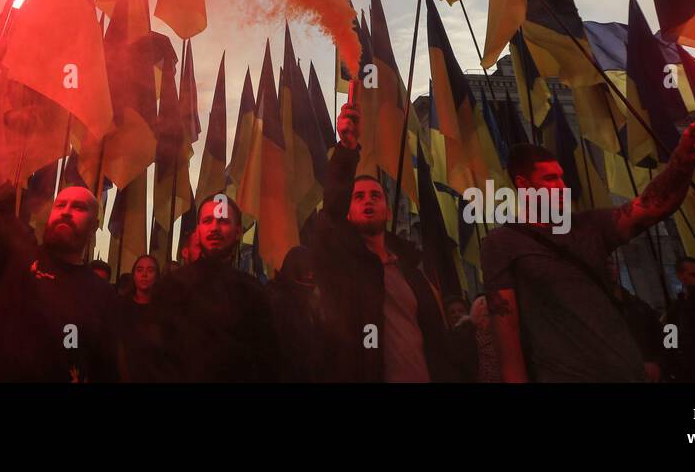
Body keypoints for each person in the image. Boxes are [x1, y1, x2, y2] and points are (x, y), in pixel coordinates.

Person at [480, 117, 695, 382]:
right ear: (523, 184)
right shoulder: (502, 242)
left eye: (561, 177)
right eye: (550, 179)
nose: (562, 186)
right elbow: (507, 333)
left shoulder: (589, 227)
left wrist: (683, 158)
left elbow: (654, 206)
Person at [0, 53, 118, 382]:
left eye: (78, 208)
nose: (66, 212)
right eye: (61, 205)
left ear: (94, 224)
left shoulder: (101, 296)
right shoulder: (19, 254)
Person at [309, 101, 468, 382]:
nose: (368, 200)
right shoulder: (341, 265)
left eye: (375, 196)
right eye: (358, 197)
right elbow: (330, 214)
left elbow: (436, 342)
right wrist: (346, 150)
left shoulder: (412, 271)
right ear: (347, 210)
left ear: (388, 210)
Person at [140, 195, 280, 382]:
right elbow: (152, 357)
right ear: (198, 230)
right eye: (207, 221)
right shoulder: (171, 288)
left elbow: (266, 361)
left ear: (238, 231)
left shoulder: (253, 293)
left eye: (223, 221)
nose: (214, 228)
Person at [267, 245, 327, 382]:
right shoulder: (277, 300)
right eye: (306, 272)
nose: (311, 276)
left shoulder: (309, 301)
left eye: (312, 272)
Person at [117, 254, 159, 380]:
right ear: (134, 275)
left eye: (150, 270)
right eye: (139, 270)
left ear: (157, 276)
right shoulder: (122, 306)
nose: (144, 274)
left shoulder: (164, 308)